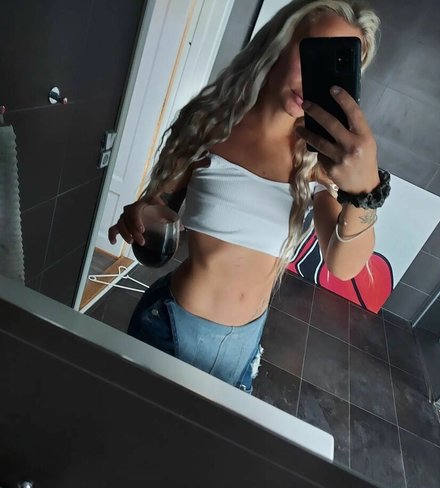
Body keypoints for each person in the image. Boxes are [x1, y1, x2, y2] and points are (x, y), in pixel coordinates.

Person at [108, 0, 389, 394]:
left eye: (333, 66)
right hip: (171, 330)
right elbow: (160, 204)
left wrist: (365, 191)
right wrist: (141, 212)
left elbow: (343, 267)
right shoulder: (209, 125)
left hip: (243, 348)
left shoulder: (319, 160)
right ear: (281, 42)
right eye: (312, 54)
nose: (316, 79)